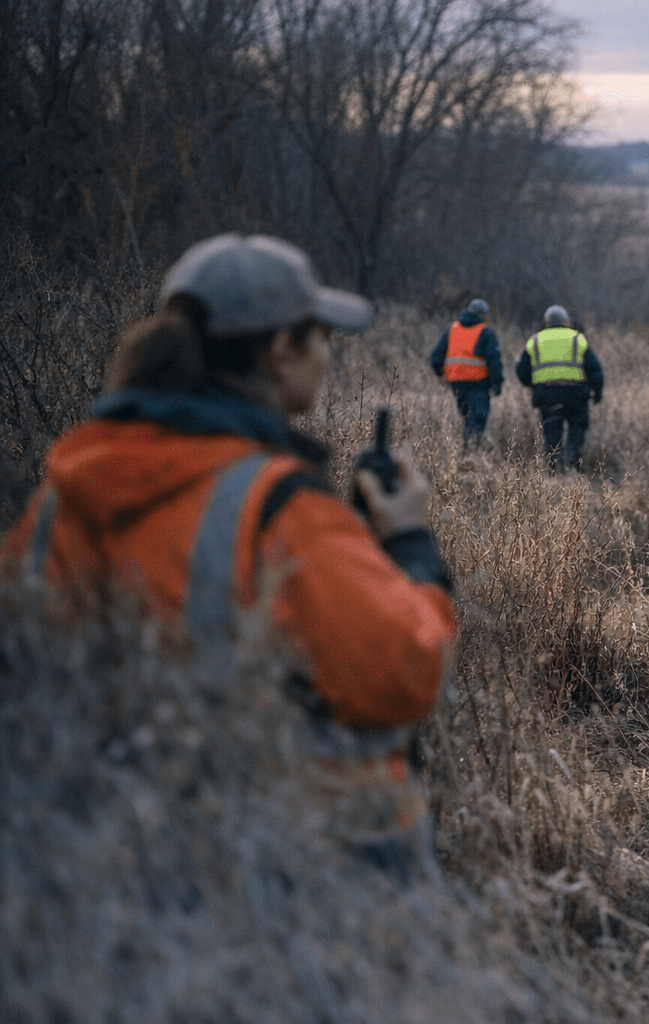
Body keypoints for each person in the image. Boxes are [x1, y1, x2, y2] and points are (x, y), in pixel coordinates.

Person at [4, 233, 457, 881]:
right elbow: (403, 675)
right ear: (280, 349)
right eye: (320, 337)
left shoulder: (63, 493)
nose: (326, 356)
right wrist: (409, 547)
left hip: (106, 853)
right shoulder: (276, 505)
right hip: (298, 868)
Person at [515, 304, 603, 471]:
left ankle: (554, 468)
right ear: (566, 321)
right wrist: (597, 391)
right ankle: (573, 463)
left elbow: (521, 370)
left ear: (546, 322)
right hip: (576, 393)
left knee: (551, 431)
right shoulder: (578, 338)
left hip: (547, 394)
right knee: (577, 428)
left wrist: (534, 386)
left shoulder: (534, 340)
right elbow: (594, 368)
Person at [430, 297, 503, 449]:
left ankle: (467, 452)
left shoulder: (452, 329)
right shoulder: (486, 332)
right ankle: (470, 454)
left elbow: (436, 357)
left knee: (467, 415)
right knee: (476, 418)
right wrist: (497, 383)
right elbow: (494, 360)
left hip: (456, 382)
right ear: (484, 315)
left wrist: (440, 373)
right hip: (478, 382)